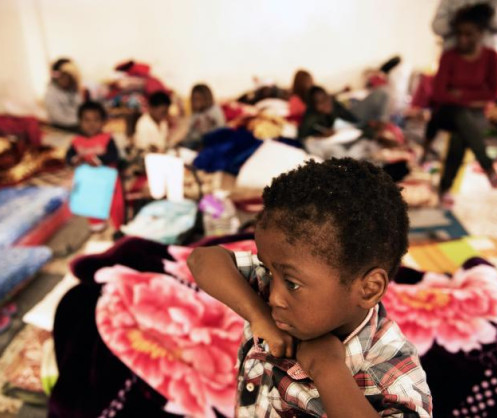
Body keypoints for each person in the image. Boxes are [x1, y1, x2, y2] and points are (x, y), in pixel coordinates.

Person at [188, 158, 432, 417]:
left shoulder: (390, 371)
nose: (273, 297)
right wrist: (258, 316)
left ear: (369, 289)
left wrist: (328, 370)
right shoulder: (274, 285)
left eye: (292, 284)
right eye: (268, 270)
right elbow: (202, 259)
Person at [430, 3, 497, 206]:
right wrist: (474, 99)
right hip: (446, 113)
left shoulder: (490, 57)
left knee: (460, 134)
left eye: (468, 34)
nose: (462, 39)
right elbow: (439, 93)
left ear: (480, 34)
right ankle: (488, 167)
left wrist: (461, 95)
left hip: (471, 116)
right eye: (459, 34)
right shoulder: (449, 57)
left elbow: (493, 92)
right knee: (460, 115)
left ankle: (444, 188)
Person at [66, 101, 125, 232]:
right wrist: (75, 160)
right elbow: (69, 157)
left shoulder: (107, 139)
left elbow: (114, 155)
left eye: (96, 120)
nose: (91, 124)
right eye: (86, 120)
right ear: (80, 122)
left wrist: (99, 160)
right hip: (89, 181)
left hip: (108, 180)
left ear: (103, 122)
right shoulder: (76, 141)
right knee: (92, 201)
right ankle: (97, 223)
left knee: (114, 203)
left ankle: (118, 225)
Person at [432, 0, 497, 49]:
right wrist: (456, 19)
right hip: (453, 54)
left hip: (484, 54)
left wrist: (483, 16)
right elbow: (436, 27)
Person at [180, 84, 226, 150]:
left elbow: (220, 129)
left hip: (211, 142)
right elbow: (189, 134)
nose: (195, 102)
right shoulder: (195, 115)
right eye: (194, 99)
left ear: (206, 98)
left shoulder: (214, 111)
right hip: (194, 143)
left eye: (198, 99)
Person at [45, 58, 84, 131]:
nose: (66, 80)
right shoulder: (51, 93)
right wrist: (79, 122)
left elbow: (80, 108)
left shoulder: (72, 90)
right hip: (63, 126)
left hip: (78, 123)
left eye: (68, 77)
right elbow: (58, 118)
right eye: (63, 76)